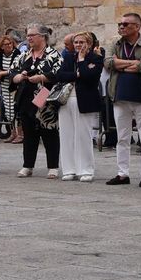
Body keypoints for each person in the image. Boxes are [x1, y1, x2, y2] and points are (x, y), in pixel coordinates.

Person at [105, 12, 141, 186]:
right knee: (122, 137)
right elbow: (108, 63)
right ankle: (122, 174)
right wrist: (132, 63)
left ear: (137, 26)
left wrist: (120, 63)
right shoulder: (115, 43)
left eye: (126, 24)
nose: (121, 27)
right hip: (119, 95)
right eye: (120, 24)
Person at [12, 26, 61, 178]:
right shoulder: (24, 55)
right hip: (26, 97)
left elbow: (58, 74)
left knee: (49, 133)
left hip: (44, 96)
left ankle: (53, 166)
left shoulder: (53, 54)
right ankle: (28, 165)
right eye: (28, 35)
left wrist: (41, 78)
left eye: (33, 35)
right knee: (28, 133)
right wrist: (19, 77)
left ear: (43, 36)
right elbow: (12, 72)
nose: (29, 38)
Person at [55, 31, 104, 182]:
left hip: (84, 101)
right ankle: (69, 169)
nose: (78, 45)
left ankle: (86, 170)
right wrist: (76, 75)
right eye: (76, 42)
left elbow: (90, 77)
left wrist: (82, 61)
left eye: (81, 42)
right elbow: (60, 75)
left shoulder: (96, 59)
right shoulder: (69, 57)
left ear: (89, 44)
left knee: (83, 136)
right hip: (66, 100)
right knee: (66, 135)